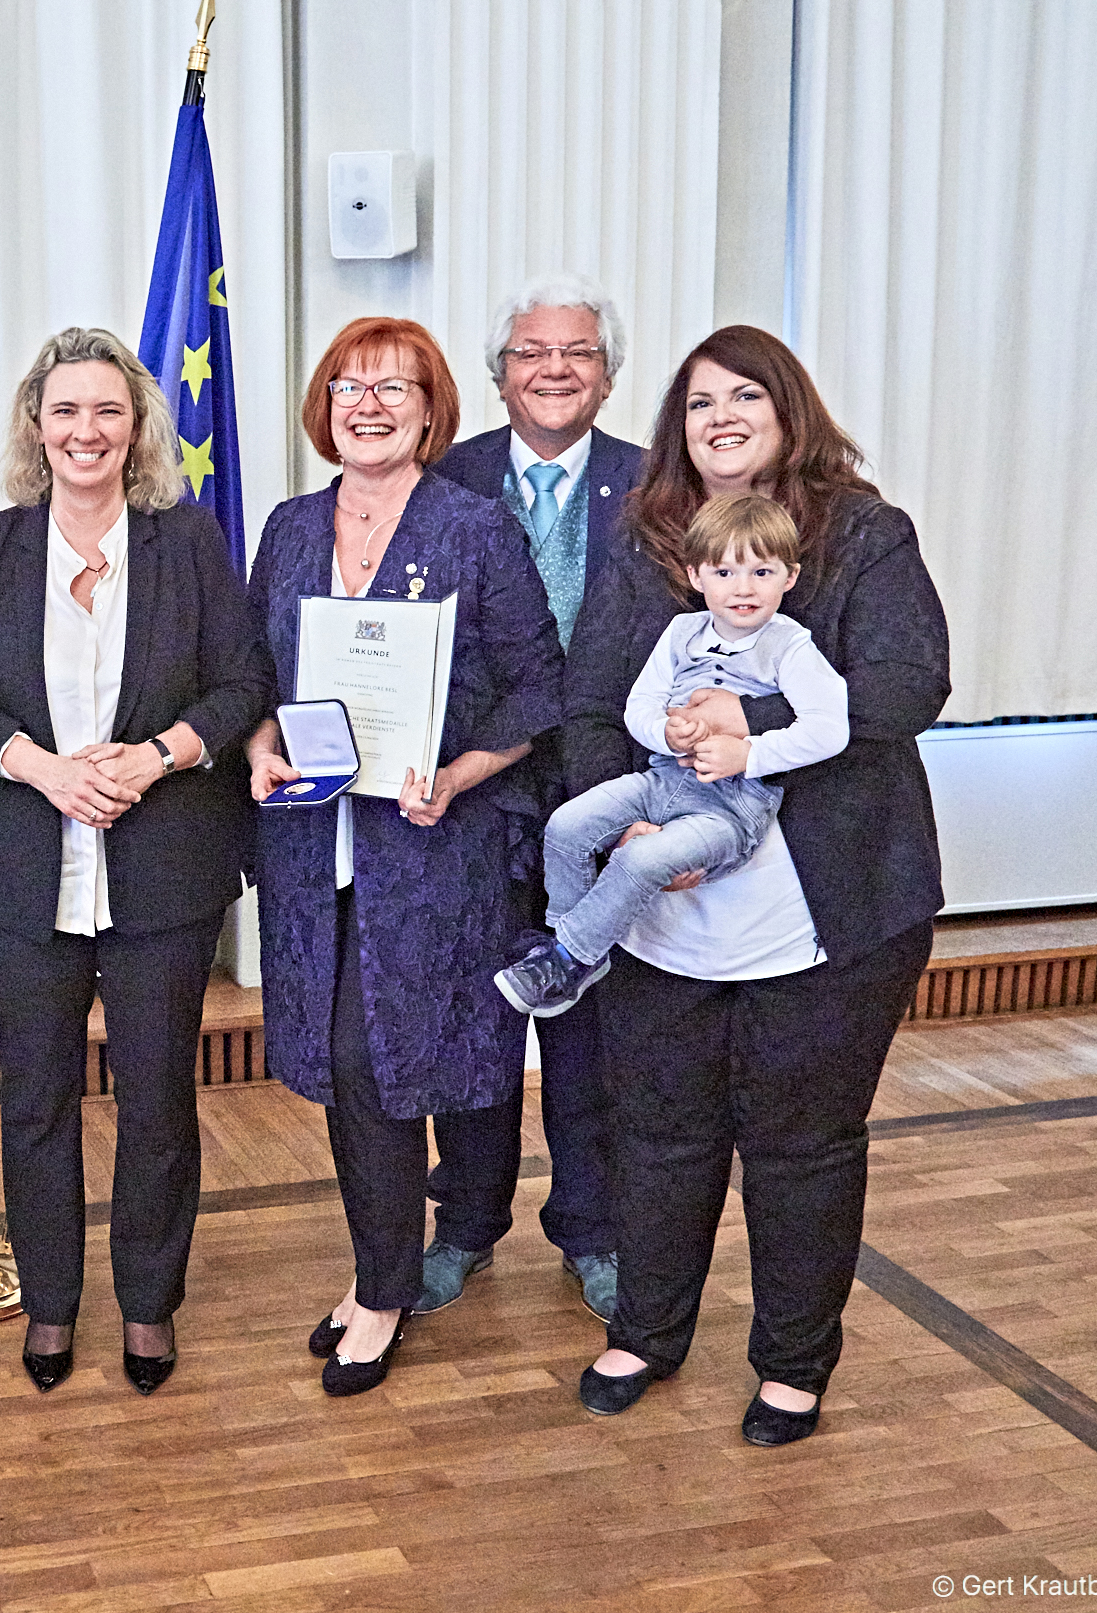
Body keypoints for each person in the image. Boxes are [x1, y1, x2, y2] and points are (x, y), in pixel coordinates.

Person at [567, 325, 949, 1445]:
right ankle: (645, 1327)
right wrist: (635, 815)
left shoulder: (864, 536)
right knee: (657, 1130)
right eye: (695, 402)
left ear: (787, 409)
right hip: (667, 907)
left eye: (742, 394)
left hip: (826, 912)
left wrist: (752, 724)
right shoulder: (644, 543)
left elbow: (904, 684)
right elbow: (591, 704)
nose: (718, 415)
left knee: (799, 1144)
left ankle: (791, 1363)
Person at [0, 328, 270, 1396]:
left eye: (106, 411)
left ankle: (146, 1301)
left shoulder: (188, 544)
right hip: (28, 869)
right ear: (36, 424)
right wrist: (42, 768)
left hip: (162, 868)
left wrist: (158, 755)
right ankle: (49, 1301)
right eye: (65, 410)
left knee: (159, 1096)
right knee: (34, 1098)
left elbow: (238, 681)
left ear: (136, 429)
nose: (85, 430)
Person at [244, 318, 562, 1398]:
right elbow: (253, 674)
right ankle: (378, 1266)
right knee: (342, 1067)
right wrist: (255, 748)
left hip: (429, 850)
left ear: (432, 409)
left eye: (393, 386)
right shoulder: (288, 528)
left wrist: (462, 772)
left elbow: (537, 687)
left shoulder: (474, 528)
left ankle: (381, 1290)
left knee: (380, 1066)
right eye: (346, 384)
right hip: (311, 846)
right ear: (320, 404)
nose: (366, 403)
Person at [426, 273, 644, 1320]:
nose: (553, 369)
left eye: (576, 353)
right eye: (530, 352)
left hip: (606, 801)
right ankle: (464, 1220)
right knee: (473, 1018)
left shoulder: (659, 489)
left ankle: (591, 1227)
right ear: (497, 371)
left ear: (606, 374)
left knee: (588, 1032)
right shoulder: (444, 478)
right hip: (473, 798)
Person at [497, 493, 848, 1015]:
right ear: (696, 575)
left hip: (732, 807)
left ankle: (571, 953)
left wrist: (747, 755)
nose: (744, 588)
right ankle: (570, 952)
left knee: (642, 859)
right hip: (662, 780)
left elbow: (830, 730)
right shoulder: (682, 631)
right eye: (725, 572)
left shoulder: (790, 646)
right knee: (567, 825)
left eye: (762, 571)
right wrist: (667, 733)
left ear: (789, 577)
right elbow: (638, 706)